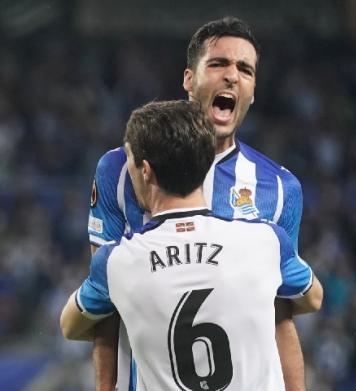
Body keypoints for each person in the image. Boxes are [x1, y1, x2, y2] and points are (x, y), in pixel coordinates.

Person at [86, 17, 309, 390]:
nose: (232, 77)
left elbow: (281, 316)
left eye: (245, 69)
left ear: (253, 91)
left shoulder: (280, 189)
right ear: (189, 79)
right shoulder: (122, 170)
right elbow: (104, 313)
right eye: (218, 64)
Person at [62, 100, 323, 390]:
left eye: (130, 160)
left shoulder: (117, 261)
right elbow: (313, 298)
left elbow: (70, 325)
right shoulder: (265, 240)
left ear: (145, 170)